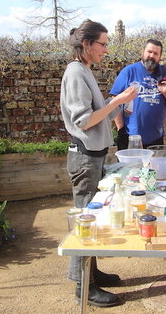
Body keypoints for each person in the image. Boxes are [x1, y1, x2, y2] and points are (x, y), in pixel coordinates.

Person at [60, 19, 137, 308]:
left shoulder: (85, 70)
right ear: (86, 44)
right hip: (84, 157)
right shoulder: (76, 73)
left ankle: (92, 273)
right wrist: (117, 101)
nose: (106, 49)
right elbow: (84, 119)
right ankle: (83, 287)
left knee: (92, 218)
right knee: (84, 221)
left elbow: (93, 111)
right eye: (102, 43)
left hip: (92, 155)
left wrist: (115, 101)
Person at [110, 39, 166, 149]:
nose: (151, 55)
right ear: (143, 52)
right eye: (149, 51)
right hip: (130, 136)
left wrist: (165, 92)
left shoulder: (165, 74)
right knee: (130, 167)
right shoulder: (129, 71)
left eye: (156, 53)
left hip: (156, 137)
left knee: (154, 167)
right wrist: (120, 126)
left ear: (160, 56)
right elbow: (114, 99)